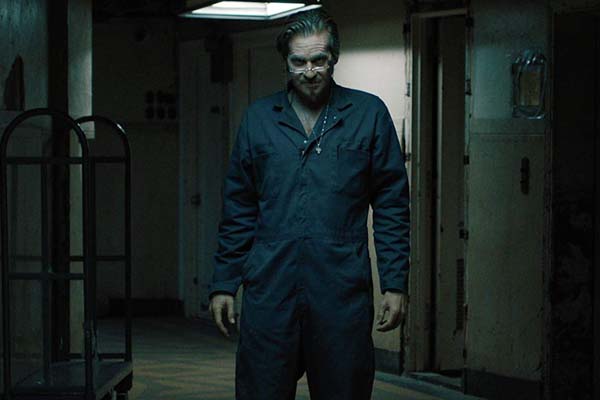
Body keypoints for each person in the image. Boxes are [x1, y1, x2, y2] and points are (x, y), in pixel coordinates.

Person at [208, 8, 410, 400]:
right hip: (270, 287)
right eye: (299, 62)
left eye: (319, 60)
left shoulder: (368, 115)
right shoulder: (259, 119)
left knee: (344, 390)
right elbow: (239, 209)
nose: (310, 71)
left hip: (340, 290)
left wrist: (395, 283)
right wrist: (223, 284)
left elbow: (392, 206)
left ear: (334, 58)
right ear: (285, 62)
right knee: (261, 391)